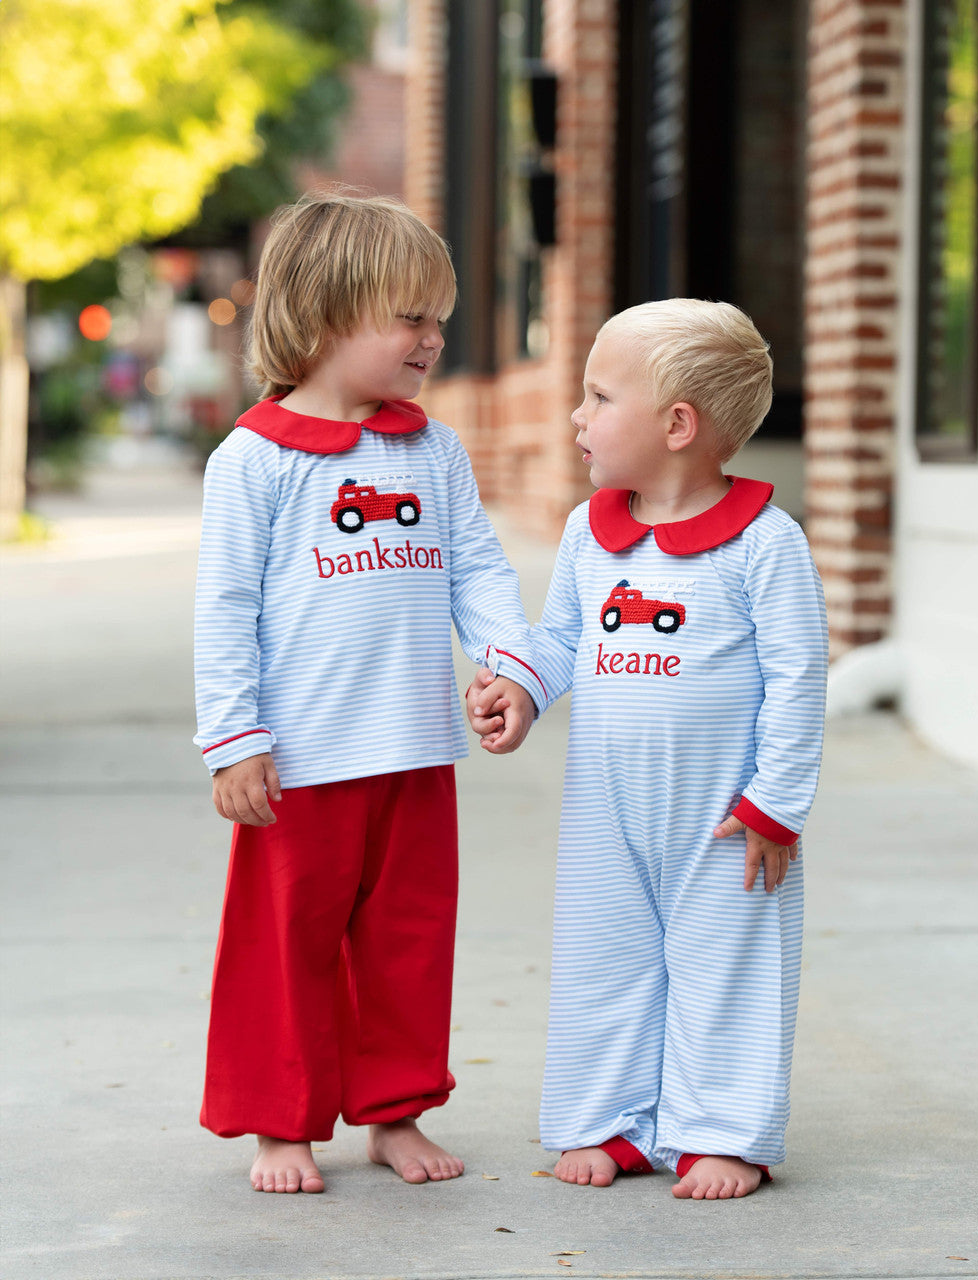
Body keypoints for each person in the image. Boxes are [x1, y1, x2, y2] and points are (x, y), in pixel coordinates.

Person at [194, 190, 545, 1194]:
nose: (435, 338)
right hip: (299, 758)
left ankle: (394, 1107)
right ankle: (280, 1120)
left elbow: (476, 567)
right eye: (412, 318)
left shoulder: (430, 449)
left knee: (407, 939)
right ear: (322, 315)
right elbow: (223, 611)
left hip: (415, 748)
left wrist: (508, 664)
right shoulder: (252, 461)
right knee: (286, 944)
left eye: (442, 318)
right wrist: (233, 737)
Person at [467, 298, 828, 1200]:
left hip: (726, 819)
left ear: (677, 425)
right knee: (605, 961)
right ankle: (610, 1122)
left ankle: (724, 1131)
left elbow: (799, 680)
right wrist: (520, 683)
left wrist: (776, 804)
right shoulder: (593, 532)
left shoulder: (765, 547)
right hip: (609, 811)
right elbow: (563, 639)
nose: (577, 417)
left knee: (726, 969)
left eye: (598, 397)